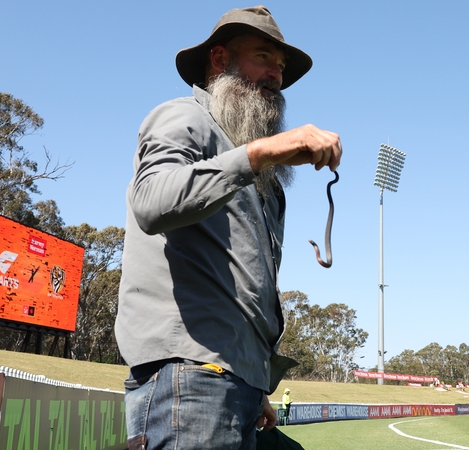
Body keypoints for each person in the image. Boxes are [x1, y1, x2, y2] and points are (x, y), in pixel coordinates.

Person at [115, 6, 341, 450]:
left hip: (237, 384)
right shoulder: (184, 117)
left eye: (280, 66)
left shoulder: (263, 178)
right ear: (220, 60)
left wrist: (254, 381)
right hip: (190, 378)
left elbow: (244, 282)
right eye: (263, 57)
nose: (276, 75)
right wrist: (257, 154)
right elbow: (152, 202)